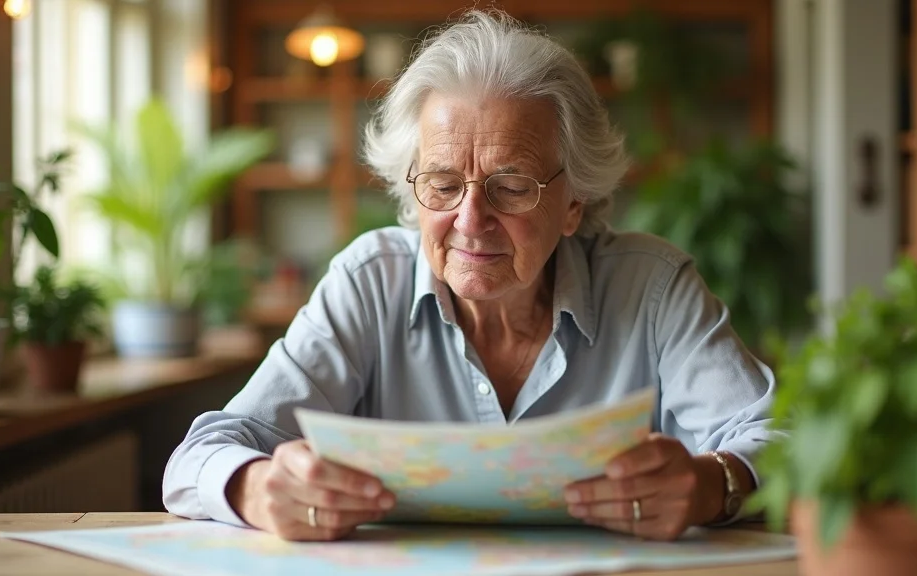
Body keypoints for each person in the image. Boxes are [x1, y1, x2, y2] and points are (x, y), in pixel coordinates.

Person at [162, 9, 778, 543]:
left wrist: (712, 483)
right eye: (442, 183)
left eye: (512, 186)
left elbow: (782, 441)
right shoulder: (369, 280)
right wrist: (256, 486)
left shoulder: (652, 287)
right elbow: (198, 458)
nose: (471, 220)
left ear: (573, 203)